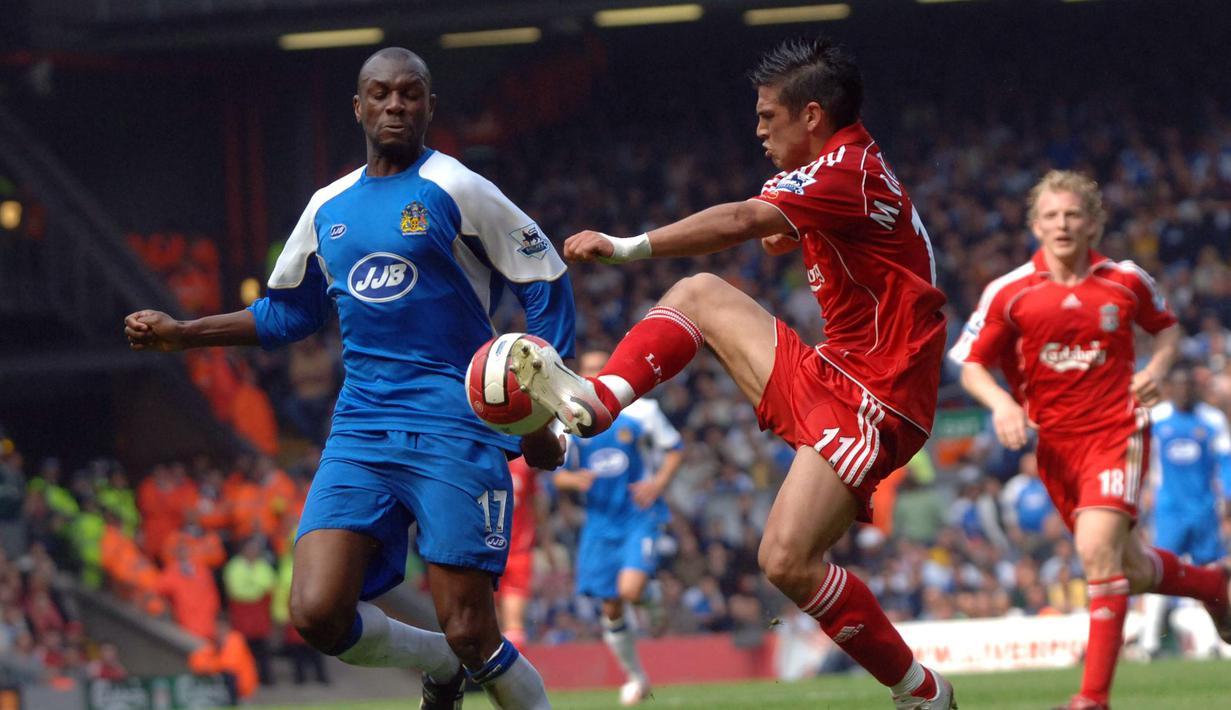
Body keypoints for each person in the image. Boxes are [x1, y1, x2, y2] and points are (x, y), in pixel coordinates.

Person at [507, 37, 955, 710]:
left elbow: (745, 219)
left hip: (876, 393)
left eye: (768, 116)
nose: (758, 130)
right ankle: (598, 400)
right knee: (698, 295)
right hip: (839, 371)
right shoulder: (839, 170)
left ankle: (920, 692)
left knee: (785, 560)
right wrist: (793, 230)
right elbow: (788, 228)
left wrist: (627, 246)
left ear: (811, 115)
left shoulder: (846, 172)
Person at [125, 47, 573, 710]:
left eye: (410, 94)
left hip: (455, 426)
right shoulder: (327, 206)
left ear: (429, 107)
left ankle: (459, 655)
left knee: (471, 629)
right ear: (358, 107)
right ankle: (437, 663)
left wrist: (539, 408)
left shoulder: (458, 187)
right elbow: (288, 313)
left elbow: (546, 280)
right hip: (362, 428)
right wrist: (185, 333)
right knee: (316, 612)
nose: (395, 105)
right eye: (381, 94)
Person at [948, 169, 1231, 710]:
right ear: (1035, 226)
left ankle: (1092, 699)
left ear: (1093, 225)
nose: (1062, 224)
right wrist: (1002, 404)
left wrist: (1157, 368)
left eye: (1073, 214)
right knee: (1132, 570)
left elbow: (1167, 328)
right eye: (1051, 216)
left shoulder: (1124, 281)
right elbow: (971, 364)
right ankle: (1212, 585)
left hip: (1116, 432)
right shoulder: (1009, 292)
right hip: (1055, 447)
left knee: (1095, 552)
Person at [552, 350, 684, 706]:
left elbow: (674, 448)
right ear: (581, 376)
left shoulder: (643, 411)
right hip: (599, 522)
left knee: (630, 589)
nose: (595, 375)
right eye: (589, 370)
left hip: (638, 515)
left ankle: (650, 599)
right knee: (610, 606)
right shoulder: (569, 418)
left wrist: (657, 483)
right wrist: (574, 480)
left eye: (601, 368)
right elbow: (557, 474)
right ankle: (636, 678)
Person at [1139, 364, 1231, 658]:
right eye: (1178, 386)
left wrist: (1228, 495)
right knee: (1159, 569)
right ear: (1169, 388)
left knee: (1211, 572)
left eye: (1188, 385)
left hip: (1204, 510)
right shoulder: (1157, 418)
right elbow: (1143, 458)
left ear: (1195, 387)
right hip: (1169, 511)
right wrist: (1142, 492)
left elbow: (1226, 460)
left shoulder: (1212, 419)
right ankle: (1149, 642)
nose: (1184, 391)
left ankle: (1217, 641)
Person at [497, 456, 543, 652]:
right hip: (489, 552)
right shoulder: (523, 463)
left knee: (511, 623)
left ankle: (506, 668)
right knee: (502, 623)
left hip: (513, 552)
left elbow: (537, 503)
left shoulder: (524, 464)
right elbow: (539, 505)